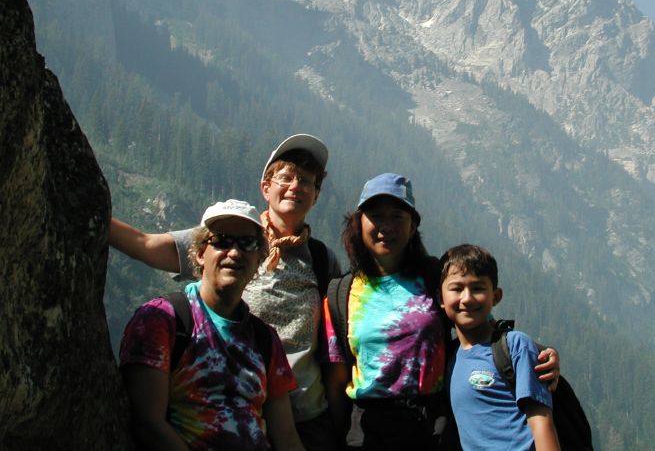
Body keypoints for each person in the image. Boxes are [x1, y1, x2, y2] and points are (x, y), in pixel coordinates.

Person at [109, 134, 343, 451]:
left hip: (303, 412)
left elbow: (334, 341)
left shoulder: (321, 259)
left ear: (317, 194)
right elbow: (146, 245)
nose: (295, 187)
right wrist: (87, 206)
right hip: (236, 407)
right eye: (285, 177)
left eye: (306, 181)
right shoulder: (231, 233)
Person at [323, 173, 561, 450]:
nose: (386, 226)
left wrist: (542, 355)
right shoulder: (341, 293)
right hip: (366, 429)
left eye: (397, 216)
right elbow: (337, 379)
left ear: (413, 225)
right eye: (376, 215)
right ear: (359, 223)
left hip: (432, 425)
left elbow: (482, 328)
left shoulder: (434, 276)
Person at [119, 199, 305, 450]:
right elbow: (147, 425)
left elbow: (287, 438)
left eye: (247, 243)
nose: (235, 252)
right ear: (199, 253)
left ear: (260, 258)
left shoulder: (265, 339)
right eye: (222, 241)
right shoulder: (162, 320)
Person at [440, 244, 560, 451]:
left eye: (477, 288)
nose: (467, 298)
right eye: (457, 288)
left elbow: (541, 423)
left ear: (495, 296)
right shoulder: (449, 356)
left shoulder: (514, 345)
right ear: (441, 299)